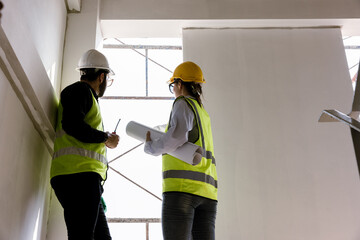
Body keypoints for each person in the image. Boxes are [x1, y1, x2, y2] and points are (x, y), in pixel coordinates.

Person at [50, 49, 119, 240]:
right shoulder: (80, 91)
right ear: (102, 77)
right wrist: (106, 138)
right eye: (107, 79)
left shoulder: (84, 95)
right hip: (79, 177)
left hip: (82, 179)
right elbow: (73, 125)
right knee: (82, 236)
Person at [144, 61, 218, 240]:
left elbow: (177, 137)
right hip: (208, 194)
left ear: (179, 84)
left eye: (173, 86)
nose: (174, 90)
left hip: (182, 190)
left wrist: (151, 147)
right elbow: (184, 132)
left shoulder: (182, 103)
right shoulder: (202, 112)